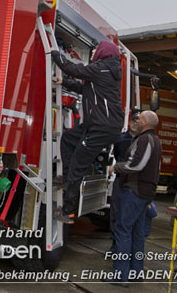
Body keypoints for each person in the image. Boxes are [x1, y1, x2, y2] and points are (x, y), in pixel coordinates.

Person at [51, 39, 125, 224]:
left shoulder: (102, 68)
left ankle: (67, 211)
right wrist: (64, 82)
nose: (92, 55)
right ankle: (66, 179)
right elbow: (85, 88)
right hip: (97, 124)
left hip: (102, 127)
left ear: (103, 52)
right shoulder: (105, 70)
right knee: (68, 138)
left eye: (94, 51)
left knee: (78, 162)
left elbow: (73, 69)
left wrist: (54, 53)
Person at [110, 110, 162, 284]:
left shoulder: (146, 140)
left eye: (138, 119)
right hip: (143, 193)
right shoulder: (155, 140)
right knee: (137, 234)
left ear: (145, 123)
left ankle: (120, 276)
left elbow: (136, 165)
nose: (136, 121)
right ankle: (135, 273)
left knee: (123, 231)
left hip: (134, 191)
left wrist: (116, 167)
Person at [109, 110, 142, 251]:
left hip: (135, 181)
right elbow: (117, 155)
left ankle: (128, 245)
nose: (135, 123)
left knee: (131, 213)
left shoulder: (143, 140)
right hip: (120, 179)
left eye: (138, 121)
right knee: (115, 212)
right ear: (129, 122)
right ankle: (115, 244)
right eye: (133, 120)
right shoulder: (120, 139)